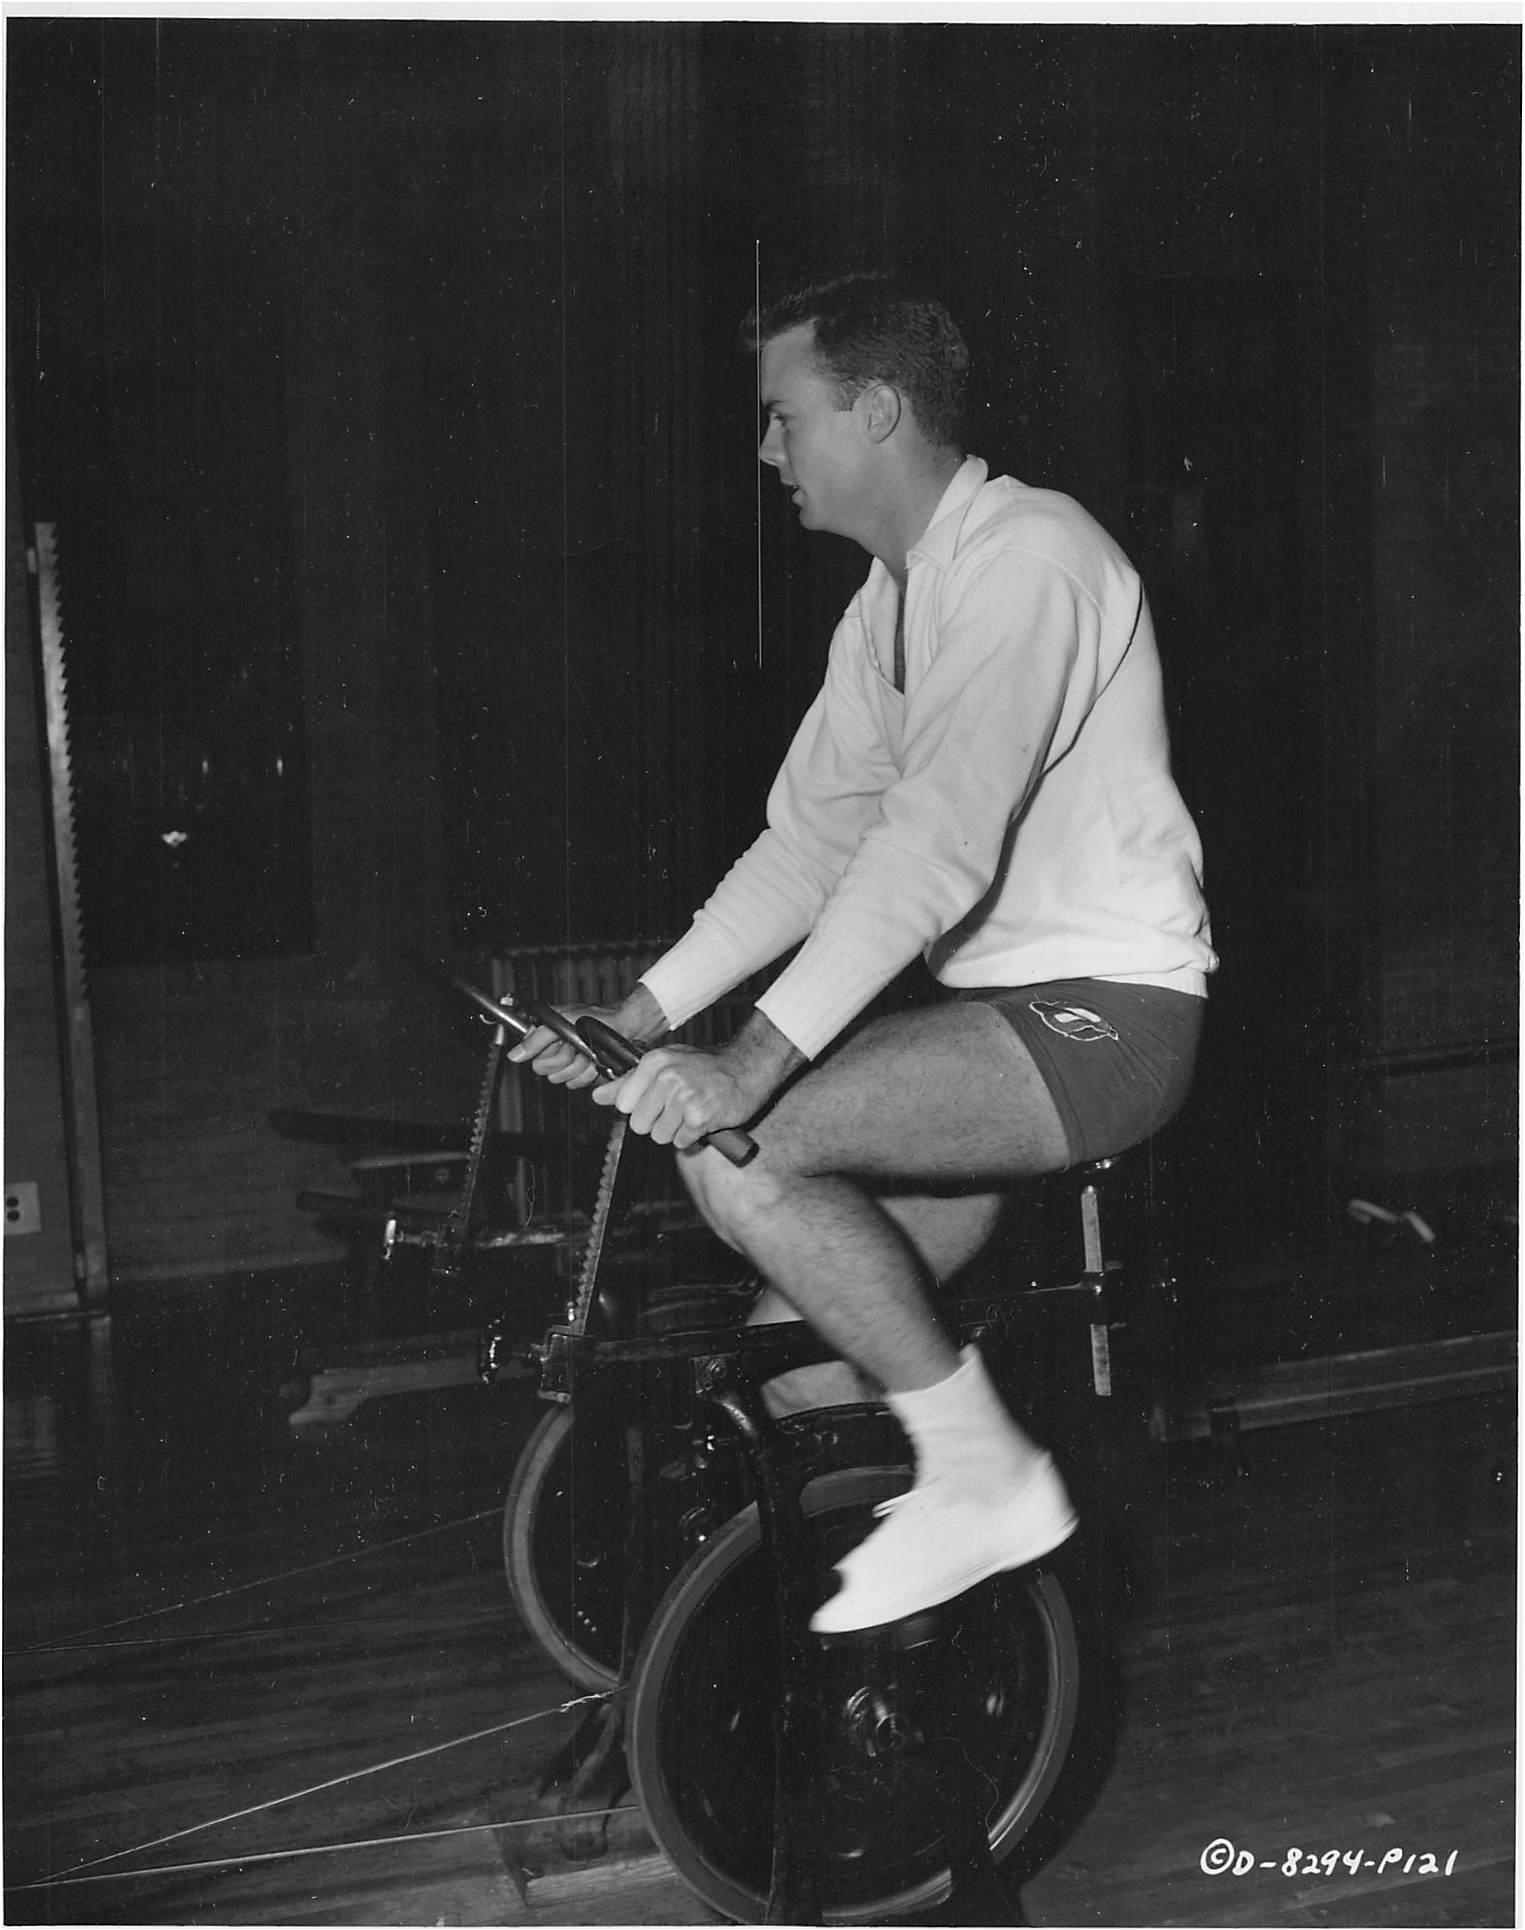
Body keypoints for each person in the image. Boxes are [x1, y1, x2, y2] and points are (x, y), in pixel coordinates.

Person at [510, 274, 1215, 1634]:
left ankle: (985, 1475)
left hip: (1104, 1021)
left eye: (783, 417)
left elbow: (932, 844)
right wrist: (639, 1014)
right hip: (994, 1032)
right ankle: (912, 1656)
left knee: (749, 1151)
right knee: (799, 1362)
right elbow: (807, 849)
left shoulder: (1030, 559)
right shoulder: (887, 608)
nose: (766, 450)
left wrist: (749, 1067)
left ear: (875, 408)